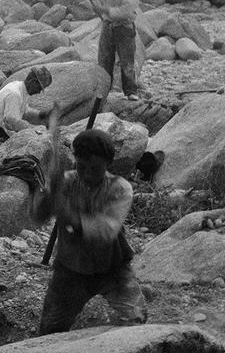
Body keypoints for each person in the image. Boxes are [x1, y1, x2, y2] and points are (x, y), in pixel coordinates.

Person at [30, 128, 146, 335]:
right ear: (76, 160)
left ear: (108, 165)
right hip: (71, 270)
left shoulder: (120, 188)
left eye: (95, 168)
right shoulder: (65, 182)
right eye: (82, 167)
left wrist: (67, 213)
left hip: (113, 269)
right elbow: (38, 217)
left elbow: (106, 230)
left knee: (135, 322)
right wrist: (49, 194)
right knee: (50, 330)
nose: (88, 174)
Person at [72, 0, 142, 100]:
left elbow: (126, 11)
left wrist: (104, 10)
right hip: (108, 26)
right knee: (104, 60)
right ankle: (103, 91)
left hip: (124, 28)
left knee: (126, 61)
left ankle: (131, 92)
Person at [0, 66, 54, 145]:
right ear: (33, 81)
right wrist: (33, 129)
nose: (39, 92)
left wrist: (40, 114)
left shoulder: (20, 88)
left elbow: (24, 110)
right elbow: (12, 121)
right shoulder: (15, 93)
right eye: (39, 88)